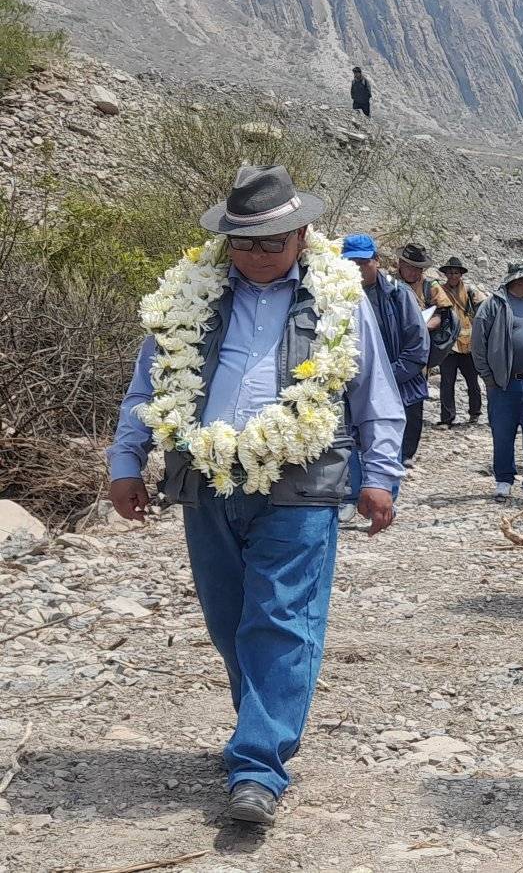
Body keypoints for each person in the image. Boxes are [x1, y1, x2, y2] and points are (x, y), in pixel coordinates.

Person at [105, 165, 403, 825]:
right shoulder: (190, 297)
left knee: (280, 618)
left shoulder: (339, 300)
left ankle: (258, 764)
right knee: (228, 617)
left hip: (302, 479)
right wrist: (127, 461)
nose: (256, 254)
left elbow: (375, 397)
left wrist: (379, 478)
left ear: (300, 236)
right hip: (204, 478)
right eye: (243, 241)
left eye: (270, 242)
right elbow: (146, 388)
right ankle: (255, 733)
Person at [339, 234, 428, 520]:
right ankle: (352, 497)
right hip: (351, 381)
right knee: (350, 437)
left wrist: (388, 376)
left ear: (377, 261)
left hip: (396, 382)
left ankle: (388, 494)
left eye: (363, 262)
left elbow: (418, 343)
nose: (357, 268)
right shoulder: (336, 294)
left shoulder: (398, 294)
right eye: (350, 262)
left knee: (388, 435)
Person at [472, 262, 523, 504]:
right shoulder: (494, 305)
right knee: (502, 434)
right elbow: (478, 343)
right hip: (504, 385)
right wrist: (488, 377)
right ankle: (503, 480)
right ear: (518, 280)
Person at [393, 242, 449, 462]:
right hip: (391, 350)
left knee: (413, 403)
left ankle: (407, 451)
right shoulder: (388, 284)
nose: (415, 272)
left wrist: (422, 328)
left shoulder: (430, 287)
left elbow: (442, 314)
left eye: (419, 268)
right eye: (411, 267)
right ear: (401, 264)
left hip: (418, 355)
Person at [436, 256, 485, 429]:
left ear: (460, 274)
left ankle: (475, 413)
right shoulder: (439, 290)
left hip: (468, 341)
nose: (452, 276)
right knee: (447, 381)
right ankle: (447, 417)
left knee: (472, 380)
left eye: (455, 272)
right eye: (450, 273)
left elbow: (482, 306)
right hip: (449, 342)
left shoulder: (470, 290)